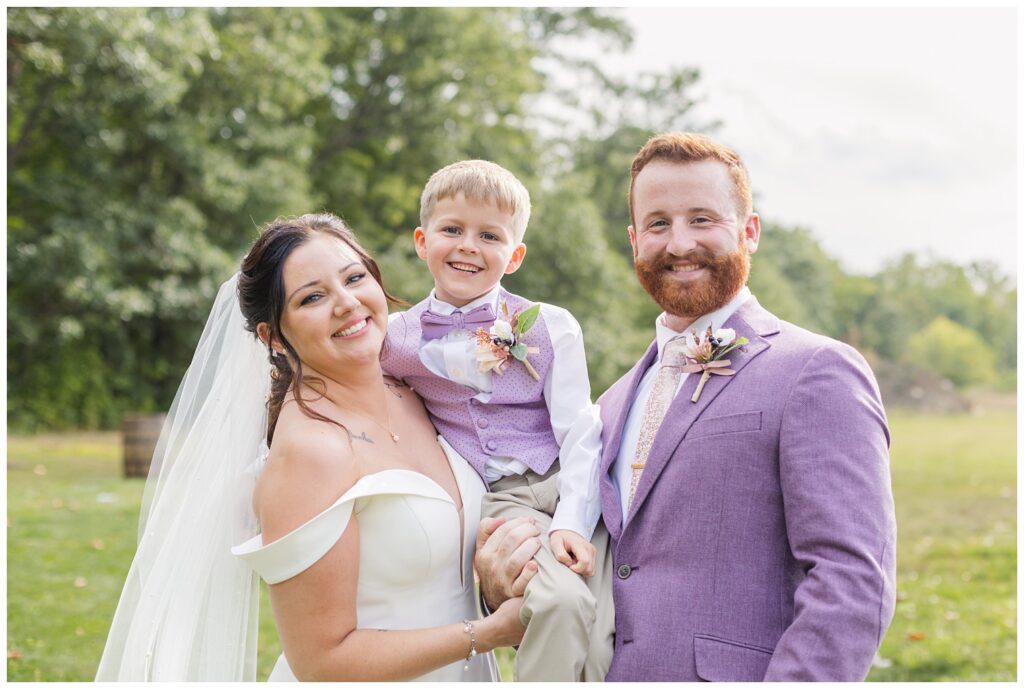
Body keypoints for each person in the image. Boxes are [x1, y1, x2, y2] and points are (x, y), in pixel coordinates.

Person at [96, 213, 532, 681]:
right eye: (313, 297)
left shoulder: (418, 390)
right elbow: (322, 660)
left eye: (354, 278)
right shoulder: (311, 452)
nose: (346, 303)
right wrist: (486, 633)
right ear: (274, 337)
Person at [594, 132, 897, 680]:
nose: (679, 243)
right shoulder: (610, 403)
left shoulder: (817, 370)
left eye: (702, 219)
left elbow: (852, 582)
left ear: (749, 231)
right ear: (635, 241)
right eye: (659, 224)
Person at [381, 160, 614, 681]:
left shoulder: (549, 326)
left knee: (603, 646)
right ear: (422, 241)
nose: (468, 245)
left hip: (573, 487)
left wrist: (573, 520)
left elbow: (580, 432)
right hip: (504, 499)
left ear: (514, 256)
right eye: (452, 229)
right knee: (560, 605)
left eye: (489, 234)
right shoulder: (394, 339)